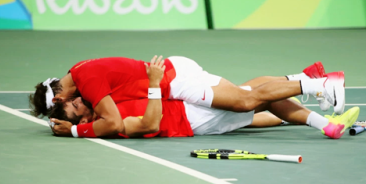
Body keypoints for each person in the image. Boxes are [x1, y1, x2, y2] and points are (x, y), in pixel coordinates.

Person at [30, 55, 345, 139]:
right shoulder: (84, 82)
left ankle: (315, 83)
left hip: (173, 82)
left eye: (71, 102)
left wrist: (73, 131)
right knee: (251, 95)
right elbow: (117, 121)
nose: (78, 101)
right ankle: (316, 106)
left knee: (246, 100)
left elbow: (112, 123)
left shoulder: (89, 85)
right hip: (177, 96)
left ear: (58, 99)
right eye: (75, 108)